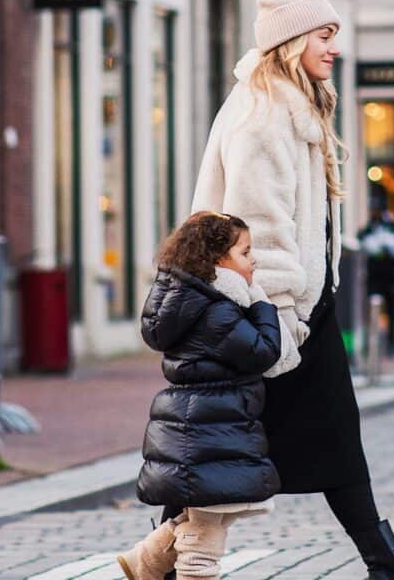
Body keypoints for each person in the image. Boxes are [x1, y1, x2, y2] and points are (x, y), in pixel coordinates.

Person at [190, 0, 394, 580]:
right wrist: (281, 317)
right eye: (324, 33)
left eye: (335, 33)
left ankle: (383, 560)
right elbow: (255, 227)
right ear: (290, 42)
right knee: (221, 442)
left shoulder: (294, 109)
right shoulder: (264, 117)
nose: (334, 46)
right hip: (278, 314)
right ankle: (163, 556)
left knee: (306, 437)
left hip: (303, 309)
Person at [123, 212, 284, 580]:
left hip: (198, 427)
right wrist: (262, 305)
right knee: (206, 532)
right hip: (208, 432)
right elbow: (264, 351)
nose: (253, 260)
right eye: (245, 252)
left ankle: (145, 561)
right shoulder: (217, 311)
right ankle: (153, 563)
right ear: (217, 259)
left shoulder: (191, 301)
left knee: (210, 513)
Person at [359, 205, 394, 358]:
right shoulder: (369, 228)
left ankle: (392, 342)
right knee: (371, 309)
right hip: (374, 275)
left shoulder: (392, 227)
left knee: (392, 311)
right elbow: (361, 239)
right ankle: (371, 343)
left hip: (390, 275)